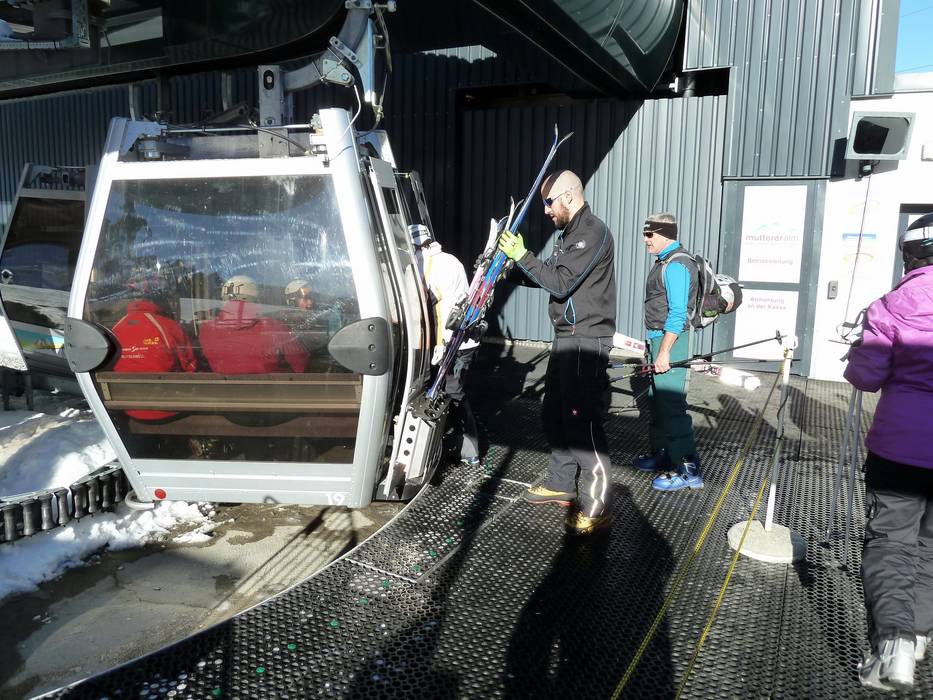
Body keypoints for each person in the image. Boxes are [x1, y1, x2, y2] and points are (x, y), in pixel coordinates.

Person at [497, 170, 616, 535]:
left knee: (582, 421)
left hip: (587, 340)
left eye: (549, 203)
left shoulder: (592, 232)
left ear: (568, 196)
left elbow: (561, 284)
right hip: (567, 337)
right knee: (556, 413)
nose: (546, 211)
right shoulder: (569, 235)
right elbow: (547, 272)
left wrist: (523, 255)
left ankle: (597, 508)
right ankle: (562, 483)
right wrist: (508, 268)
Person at [844, 212, 933, 692]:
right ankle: (916, 639)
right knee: (931, 547)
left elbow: (866, 376)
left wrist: (858, 352)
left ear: (911, 255)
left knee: (891, 543)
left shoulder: (891, 305)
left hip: (900, 449)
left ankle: (893, 643)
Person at [632, 213, 703, 492]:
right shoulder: (664, 262)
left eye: (649, 234)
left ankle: (688, 469)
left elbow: (678, 314)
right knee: (657, 402)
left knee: (672, 406)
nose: (645, 240)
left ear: (665, 234)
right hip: (659, 341)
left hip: (671, 343)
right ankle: (664, 454)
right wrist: (652, 350)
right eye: (645, 234)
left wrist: (663, 353)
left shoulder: (676, 265)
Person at [410, 223, 481, 468]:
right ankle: (459, 446)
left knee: (452, 393)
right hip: (465, 341)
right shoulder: (451, 260)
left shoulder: (429, 265)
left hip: (453, 343)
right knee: (451, 392)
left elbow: (428, 306)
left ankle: (469, 451)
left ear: (419, 246)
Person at [112, 285, 197, 421]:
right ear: (157, 299)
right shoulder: (169, 326)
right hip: (169, 408)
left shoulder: (116, 328)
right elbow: (190, 365)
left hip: (130, 408)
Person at [199, 274, 309, 374]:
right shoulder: (272, 327)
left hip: (220, 389)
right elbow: (299, 363)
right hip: (269, 388)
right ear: (255, 298)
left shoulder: (207, 329)